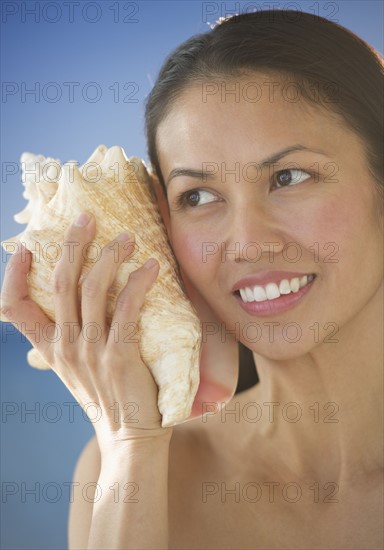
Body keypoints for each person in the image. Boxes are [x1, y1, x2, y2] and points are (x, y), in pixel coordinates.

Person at [1, 9, 383, 549]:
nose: (248, 242)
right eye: (198, 197)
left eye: (289, 177)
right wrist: (131, 441)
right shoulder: (132, 472)